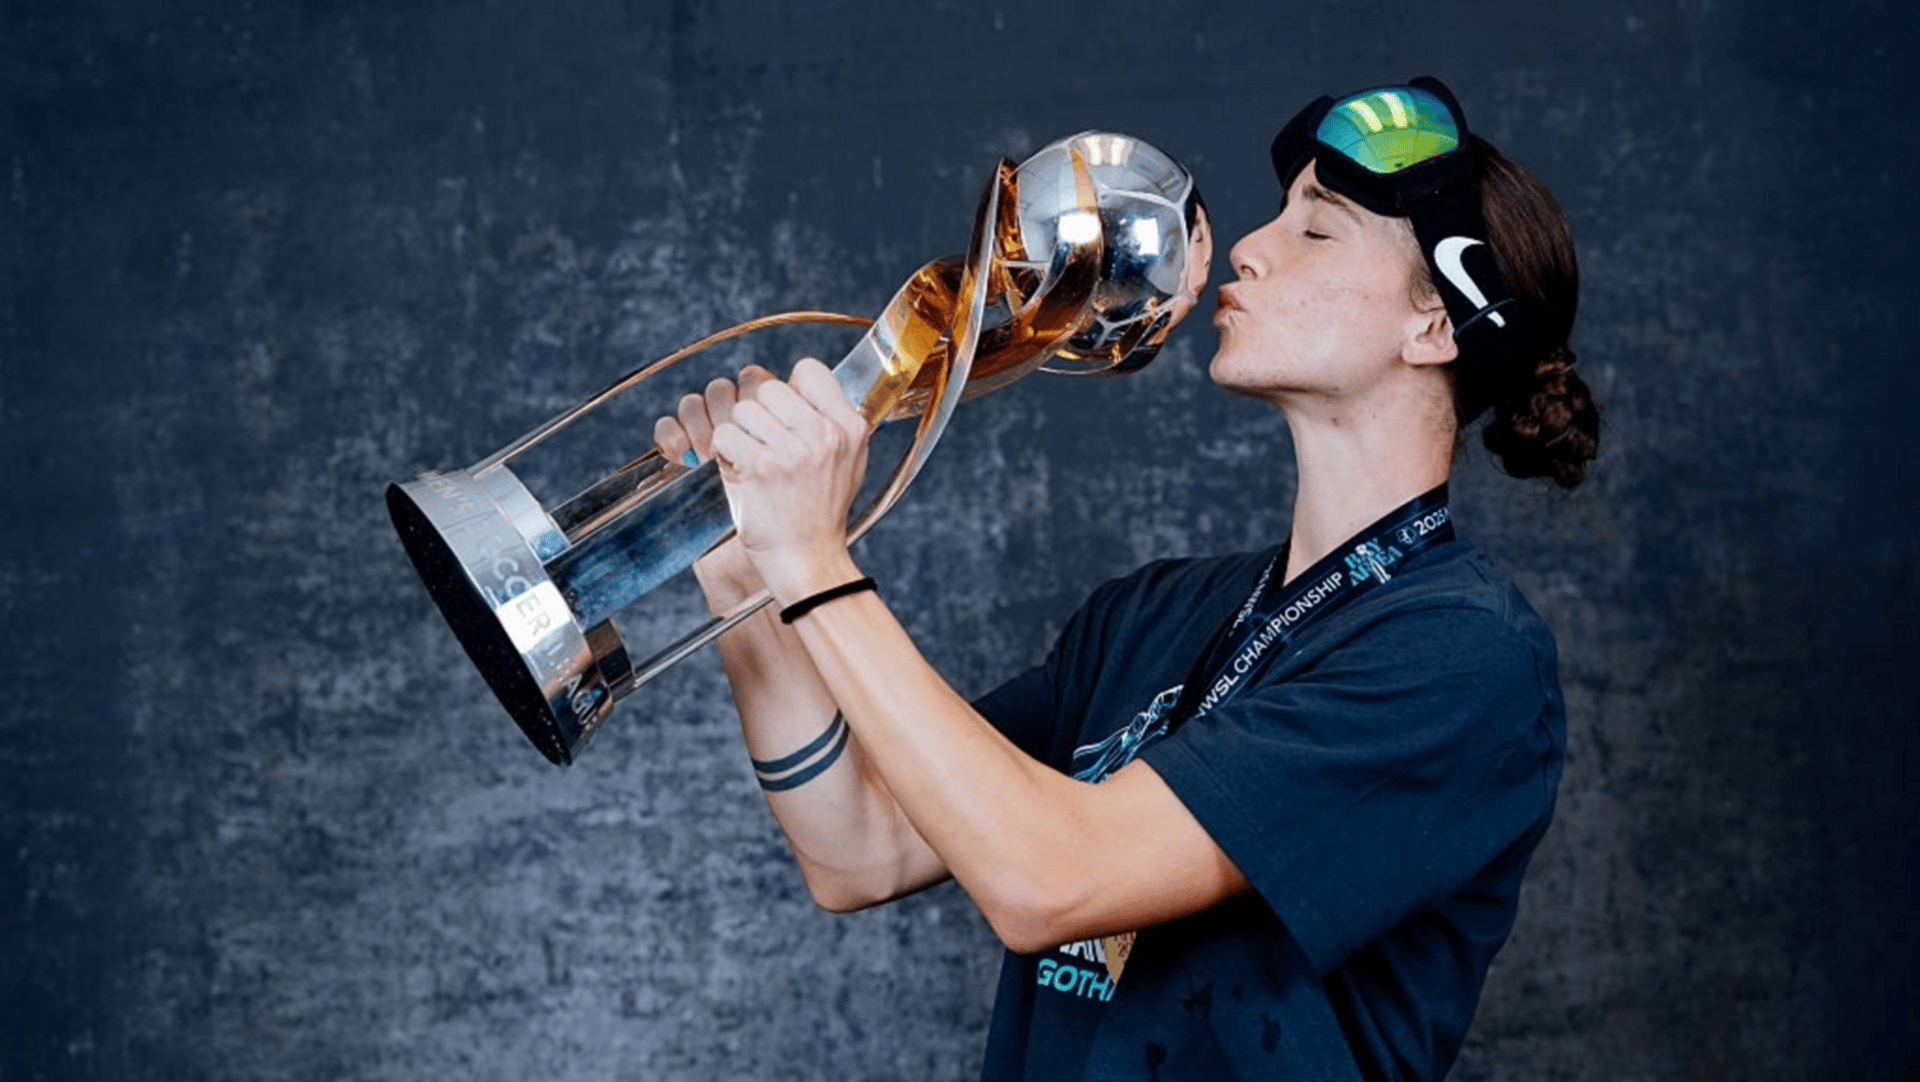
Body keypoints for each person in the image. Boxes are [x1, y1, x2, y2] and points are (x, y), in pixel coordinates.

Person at [654, 76, 1599, 1081]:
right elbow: (857, 846)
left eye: (1318, 231)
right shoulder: (1149, 613)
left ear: (1436, 327)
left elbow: (1049, 879)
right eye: (1279, 213)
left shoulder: (1462, 655)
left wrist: (814, 556)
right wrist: (751, 583)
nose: (1248, 246)